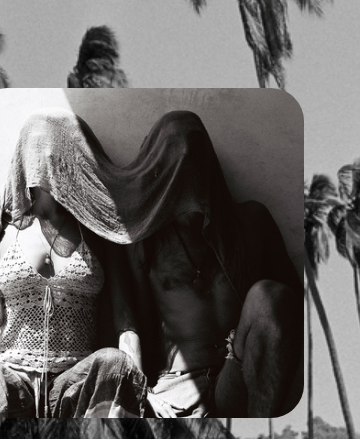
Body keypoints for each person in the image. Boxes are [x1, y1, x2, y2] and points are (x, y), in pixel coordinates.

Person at [95, 110, 303, 417]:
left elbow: (292, 311)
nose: (188, 179)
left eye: (195, 164)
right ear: (161, 172)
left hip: (235, 378)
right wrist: (137, 395)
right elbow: (130, 327)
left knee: (269, 296)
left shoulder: (251, 224)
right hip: (174, 388)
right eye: (178, 167)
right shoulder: (143, 242)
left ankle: (264, 426)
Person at [0, 112, 146, 417]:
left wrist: (135, 387)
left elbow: (126, 324)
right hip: (12, 381)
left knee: (114, 362)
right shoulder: (0, 230)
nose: (46, 164)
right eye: (37, 153)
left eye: (55, 153)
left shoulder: (98, 233)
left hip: (74, 385)